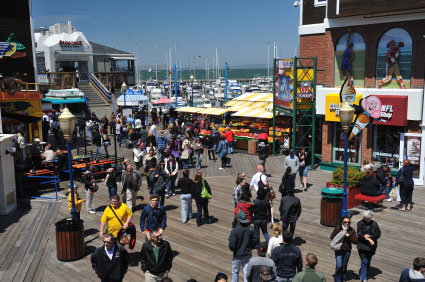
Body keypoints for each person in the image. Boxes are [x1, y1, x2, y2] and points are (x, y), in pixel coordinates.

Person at [229, 211, 260, 282]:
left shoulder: (234, 231)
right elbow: (257, 239)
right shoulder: (250, 229)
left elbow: (231, 245)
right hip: (247, 254)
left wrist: (235, 249)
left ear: (238, 219)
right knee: (246, 273)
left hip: (237, 255)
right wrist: (252, 246)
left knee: (235, 272)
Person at [330, 216, 358, 282]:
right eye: (345, 222)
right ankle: (338, 280)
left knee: (344, 266)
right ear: (342, 222)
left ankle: (343, 278)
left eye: (348, 222)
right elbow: (331, 237)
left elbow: (356, 241)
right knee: (339, 265)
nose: (347, 223)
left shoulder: (351, 230)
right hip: (338, 249)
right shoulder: (338, 228)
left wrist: (348, 236)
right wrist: (339, 235)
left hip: (347, 250)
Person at [357, 210, 381, 282]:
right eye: (365, 218)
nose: (367, 219)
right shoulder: (360, 223)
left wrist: (370, 236)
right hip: (362, 246)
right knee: (364, 261)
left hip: (371, 247)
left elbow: (378, 234)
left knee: (368, 260)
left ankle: (365, 274)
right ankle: (364, 278)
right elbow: (359, 234)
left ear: (371, 217)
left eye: (368, 218)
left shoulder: (374, 224)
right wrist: (367, 238)